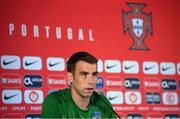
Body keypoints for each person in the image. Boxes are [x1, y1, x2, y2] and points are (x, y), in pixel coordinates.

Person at [41, 51, 117, 118]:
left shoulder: (103, 102)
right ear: (70, 77)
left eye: (94, 74)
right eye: (84, 74)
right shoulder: (55, 101)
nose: (91, 81)